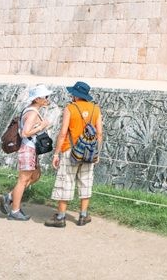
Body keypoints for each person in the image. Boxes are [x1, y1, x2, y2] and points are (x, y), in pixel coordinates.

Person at [45, 81, 103, 228]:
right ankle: (83, 216)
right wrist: (98, 153)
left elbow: (63, 132)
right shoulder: (96, 109)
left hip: (70, 150)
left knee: (66, 181)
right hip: (89, 151)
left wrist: (56, 154)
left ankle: (61, 217)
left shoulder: (70, 108)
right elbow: (100, 134)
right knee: (86, 181)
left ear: (76, 95)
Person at [0, 84, 53, 221]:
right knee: (23, 180)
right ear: (37, 99)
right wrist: (42, 126)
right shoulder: (33, 113)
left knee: (35, 176)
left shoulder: (31, 110)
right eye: (45, 96)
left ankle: (10, 197)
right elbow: (25, 133)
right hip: (28, 148)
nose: (47, 99)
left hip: (30, 148)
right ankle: (15, 211)